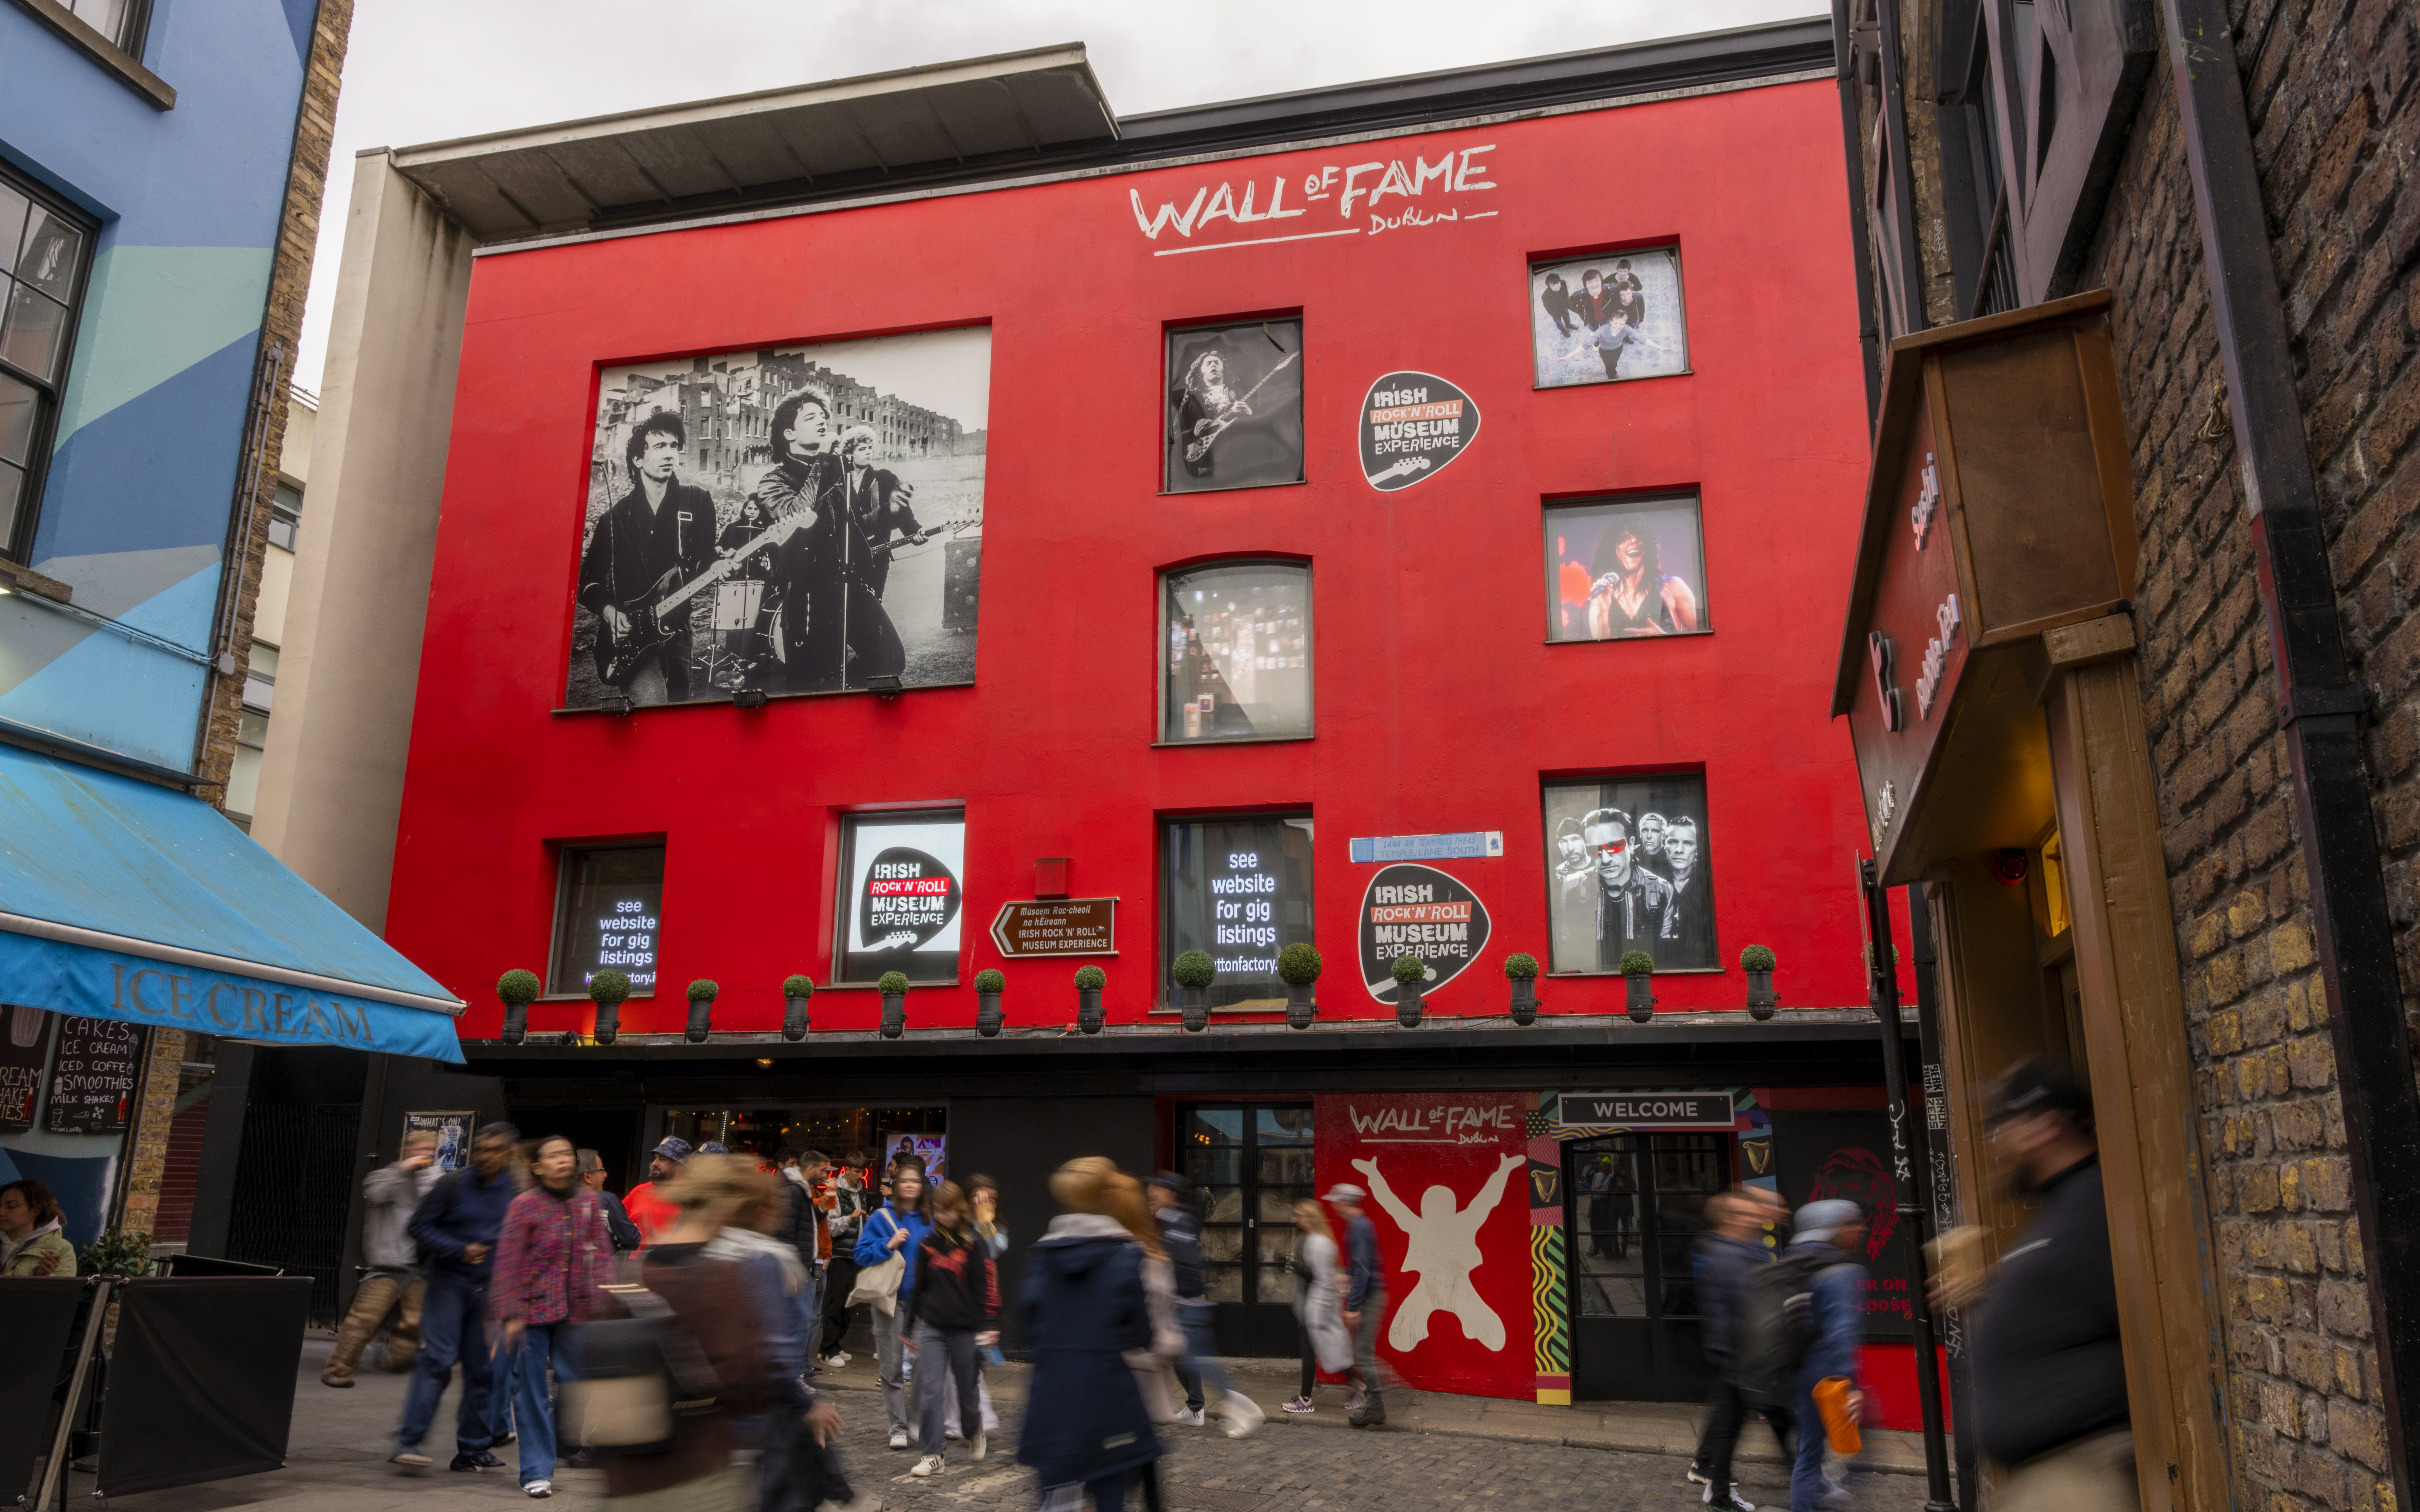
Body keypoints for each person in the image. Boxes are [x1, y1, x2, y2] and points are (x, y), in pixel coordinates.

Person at [603, 1153, 846, 1512]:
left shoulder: (630, 1270)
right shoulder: (729, 1277)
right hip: (701, 1469)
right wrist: (805, 1404)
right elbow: (761, 1369)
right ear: (732, 1206)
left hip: (627, 1474)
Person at [1948, 1059, 2131, 1512]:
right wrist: (1992, 1289)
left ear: (2046, 1126)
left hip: (2081, 1475)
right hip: (2048, 1478)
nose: (1996, 1144)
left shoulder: (2099, 1202)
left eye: (2002, 1128)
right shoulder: (2062, 1208)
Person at [1017, 1158, 1162, 1509]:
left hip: (1052, 1395)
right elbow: (1140, 1334)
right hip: (1106, 1395)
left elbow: (1027, 1327)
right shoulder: (1125, 1257)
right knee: (1111, 1490)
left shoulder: (1042, 1256)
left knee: (1053, 1493)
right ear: (1107, 1199)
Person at [488, 1134, 613, 1499]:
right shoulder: (524, 1205)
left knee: (575, 1383)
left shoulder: (588, 1202)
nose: (562, 1160)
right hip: (530, 1310)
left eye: (567, 1155)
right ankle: (537, 1470)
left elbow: (602, 1253)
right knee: (532, 1393)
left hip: (577, 1309)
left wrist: (603, 1294)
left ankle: (559, 1440)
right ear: (538, 1167)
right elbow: (508, 1262)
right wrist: (509, 1313)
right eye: (553, 1155)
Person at [393, 1122, 519, 1474]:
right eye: (480, 1149)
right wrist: (459, 1249)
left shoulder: (515, 1191)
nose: (484, 1156)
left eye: (494, 1150)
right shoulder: (452, 1184)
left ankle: (473, 1450)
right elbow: (419, 1227)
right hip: (449, 1283)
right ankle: (409, 1443)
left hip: (490, 1292)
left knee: (483, 1371)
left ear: (507, 1154)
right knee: (438, 1360)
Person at [577, 412, 722, 704]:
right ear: (638, 460)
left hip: (677, 626)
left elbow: (704, 561)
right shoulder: (614, 518)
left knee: (679, 707)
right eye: (659, 447)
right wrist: (608, 612)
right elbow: (587, 583)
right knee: (652, 702)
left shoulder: (697, 502)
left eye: (673, 446)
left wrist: (717, 565)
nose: (670, 454)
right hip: (630, 633)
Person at [748, 388, 852, 694]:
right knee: (809, 684)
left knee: (889, 658)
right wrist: (822, 461)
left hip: (845, 585)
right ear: (789, 433)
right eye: (811, 417)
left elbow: (852, 527)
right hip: (804, 593)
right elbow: (795, 515)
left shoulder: (838, 471)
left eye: (824, 417)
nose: (822, 422)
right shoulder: (772, 481)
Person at [1148, 1171, 1261, 1437]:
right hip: (1186, 1302)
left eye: (1155, 1191)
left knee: (1197, 1361)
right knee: (1182, 1358)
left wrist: (1179, 1297)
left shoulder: (1179, 1221)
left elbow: (1187, 1262)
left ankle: (1240, 1405)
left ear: (1170, 1195)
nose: (1151, 1195)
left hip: (1188, 1303)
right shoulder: (1170, 1219)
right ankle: (1196, 1409)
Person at [327, 1129, 440, 1386]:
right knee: (363, 1320)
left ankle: (398, 1362)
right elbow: (376, 1195)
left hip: (419, 1263)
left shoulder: (435, 1179)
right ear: (406, 1151)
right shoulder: (384, 1176)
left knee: (413, 1321)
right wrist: (403, 1171)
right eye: (421, 1150)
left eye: (430, 1151)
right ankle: (336, 1371)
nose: (426, 1155)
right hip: (387, 1263)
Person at [901, 1181, 998, 1478]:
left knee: (967, 1390)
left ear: (958, 1210)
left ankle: (974, 1428)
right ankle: (933, 1454)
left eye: (948, 1211)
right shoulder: (929, 1244)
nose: (943, 1216)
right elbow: (920, 1288)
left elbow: (985, 1287)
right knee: (931, 1391)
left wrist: (988, 1325)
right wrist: (909, 1327)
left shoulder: (974, 1242)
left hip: (965, 1329)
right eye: (938, 1211)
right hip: (932, 1327)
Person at [1780, 1200, 1868, 1512]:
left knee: (1808, 1451)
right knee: (1837, 1449)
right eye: (1851, 1224)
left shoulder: (1789, 1262)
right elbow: (1842, 1331)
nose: (1858, 1230)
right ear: (1836, 1229)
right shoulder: (1843, 1270)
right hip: (1827, 1373)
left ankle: (1815, 1498)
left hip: (1794, 1368)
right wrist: (1850, 1383)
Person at [1689, 1190, 1772, 1512]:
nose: (1755, 1219)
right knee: (1730, 1427)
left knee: (1729, 1426)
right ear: (1729, 1219)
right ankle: (1719, 1491)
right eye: (1746, 1214)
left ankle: (1717, 1488)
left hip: (1742, 1353)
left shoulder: (1743, 1249)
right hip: (1739, 1353)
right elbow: (1744, 1309)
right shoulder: (1727, 1256)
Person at [854, 1159, 933, 1449]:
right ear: (896, 1185)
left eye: (916, 1181)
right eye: (905, 1180)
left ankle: (917, 1419)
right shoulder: (881, 1218)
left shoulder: (930, 1219)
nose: (910, 1185)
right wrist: (888, 1244)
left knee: (926, 1366)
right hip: (891, 1301)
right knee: (892, 1367)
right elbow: (860, 1255)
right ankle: (898, 1427)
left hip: (924, 1304)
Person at [1558, 807, 1680, 969]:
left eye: (1614, 846)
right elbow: (1566, 947)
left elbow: (1668, 954)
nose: (1606, 859)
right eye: (1595, 850)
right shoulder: (1571, 887)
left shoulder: (1661, 890)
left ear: (1630, 844)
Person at [1324, 1182, 1389, 1427]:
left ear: (1345, 1202)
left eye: (1336, 1200)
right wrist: (1346, 1272)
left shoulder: (1358, 1226)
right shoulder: (1361, 1224)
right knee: (1364, 1352)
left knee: (1363, 1353)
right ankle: (1378, 1399)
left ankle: (1376, 1406)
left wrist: (1353, 1306)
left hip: (1370, 1297)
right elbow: (1363, 1266)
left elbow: (1363, 1270)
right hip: (1372, 1293)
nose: (1333, 1204)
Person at [1282, 1197, 1350, 1416]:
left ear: (1310, 1218)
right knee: (1322, 1351)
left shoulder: (1319, 1243)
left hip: (1316, 1308)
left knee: (1321, 1352)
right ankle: (1360, 1387)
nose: (1296, 1219)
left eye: (1300, 1215)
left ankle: (1307, 1399)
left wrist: (1295, 1265)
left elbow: (1319, 1277)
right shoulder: (1309, 1239)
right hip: (1310, 1306)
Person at [1585, 524, 1700, 640]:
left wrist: (1664, 639)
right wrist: (1602, 611)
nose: (1634, 541)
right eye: (1624, 539)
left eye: (1640, 538)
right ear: (1612, 549)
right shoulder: (1601, 597)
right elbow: (1601, 653)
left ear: (1648, 548)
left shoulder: (1673, 587)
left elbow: (1705, 641)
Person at [776, 1148, 830, 1375]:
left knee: (805, 1321)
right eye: (823, 1170)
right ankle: (793, 1374)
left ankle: (796, 1371)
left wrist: (825, 1206)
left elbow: (807, 1223)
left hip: (805, 1267)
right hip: (797, 1269)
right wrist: (791, 1269)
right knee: (799, 1323)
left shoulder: (803, 1189)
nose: (826, 1175)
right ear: (810, 1168)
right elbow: (786, 1232)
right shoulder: (793, 1190)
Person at [819, 1153, 873, 1366]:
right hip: (840, 1254)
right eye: (857, 1171)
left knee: (849, 1303)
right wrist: (850, 1218)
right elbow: (830, 1226)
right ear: (847, 1169)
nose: (861, 1175)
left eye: (863, 1171)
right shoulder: (833, 1191)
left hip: (856, 1254)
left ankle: (836, 1344)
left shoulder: (863, 1191)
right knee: (836, 1302)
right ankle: (827, 1349)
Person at [622, 1136, 690, 1248]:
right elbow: (616, 1224)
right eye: (656, 1158)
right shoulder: (639, 1191)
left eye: (662, 1159)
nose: (654, 1163)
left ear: (679, 1166)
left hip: (669, 1264)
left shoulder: (694, 1196)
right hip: (634, 1263)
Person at [0, 1178, 75, 1276]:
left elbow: (65, 1290)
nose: (1, 1213)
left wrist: (42, 1277)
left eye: (12, 1207)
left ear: (34, 1212)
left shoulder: (62, 1249)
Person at [578, 1149, 642, 1252]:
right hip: (601, 1266)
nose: (605, 1175)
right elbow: (632, 1240)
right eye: (601, 1171)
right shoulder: (607, 1200)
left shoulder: (556, 1200)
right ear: (588, 1176)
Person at [1538, 270, 1576, 335]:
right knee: (1559, 323)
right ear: (1550, 287)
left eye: (1558, 283)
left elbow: (1566, 294)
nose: (1557, 287)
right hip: (1556, 312)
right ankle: (1563, 331)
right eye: (1554, 286)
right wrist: (1554, 314)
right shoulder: (1546, 296)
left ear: (1560, 282)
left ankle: (1568, 325)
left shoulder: (1563, 283)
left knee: (1567, 317)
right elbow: (1548, 308)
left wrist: (1567, 303)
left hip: (1564, 306)